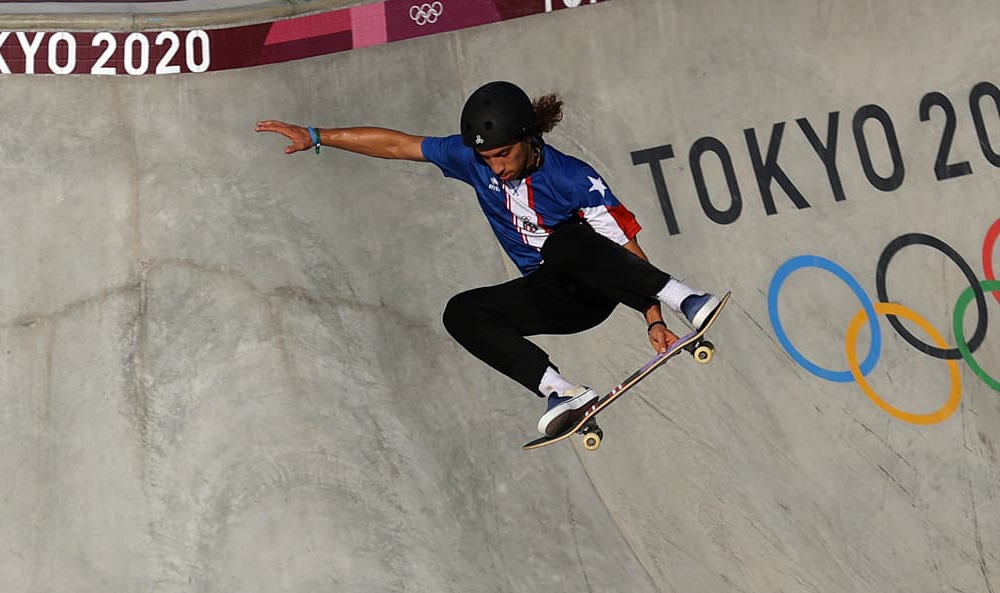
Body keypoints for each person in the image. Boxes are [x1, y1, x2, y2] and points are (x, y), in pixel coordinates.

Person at [255, 81, 721, 438]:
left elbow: (622, 244)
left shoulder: (573, 178)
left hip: (596, 285)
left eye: (503, 155)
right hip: (555, 299)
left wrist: (654, 318)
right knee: (461, 311)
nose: (496, 167)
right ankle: (561, 392)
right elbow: (399, 145)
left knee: (563, 242)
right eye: (487, 158)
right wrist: (317, 135)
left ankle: (686, 296)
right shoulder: (473, 160)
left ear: (528, 138)